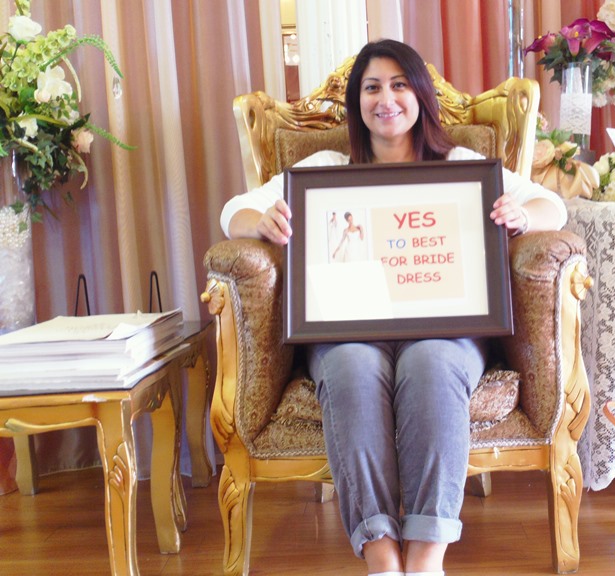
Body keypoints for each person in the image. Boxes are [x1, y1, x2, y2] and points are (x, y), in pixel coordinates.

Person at [220, 39, 567, 576]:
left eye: (399, 85)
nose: (386, 99)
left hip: (446, 328)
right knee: (351, 369)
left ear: (420, 95)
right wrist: (261, 223)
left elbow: (553, 205)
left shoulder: (461, 164)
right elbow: (235, 211)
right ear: (357, 102)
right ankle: (381, 557)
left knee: (432, 364)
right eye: (372, 88)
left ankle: (427, 558)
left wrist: (522, 215)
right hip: (348, 330)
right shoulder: (325, 167)